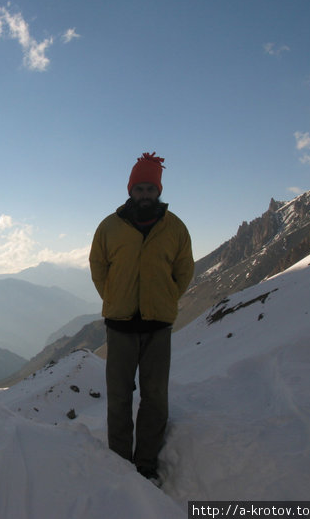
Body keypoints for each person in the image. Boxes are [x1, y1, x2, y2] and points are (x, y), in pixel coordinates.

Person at [89, 151, 194, 484]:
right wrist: (114, 296)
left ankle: (146, 464)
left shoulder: (175, 228)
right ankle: (121, 463)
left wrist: (163, 299)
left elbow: (184, 270)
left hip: (157, 326)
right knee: (119, 397)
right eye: (140, 188)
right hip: (120, 325)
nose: (145, 194)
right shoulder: (109, 227)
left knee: (155, 397)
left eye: (151, 188)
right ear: (130, 190)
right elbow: (98, 267)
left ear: (158, 190)